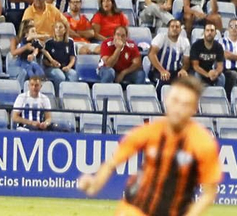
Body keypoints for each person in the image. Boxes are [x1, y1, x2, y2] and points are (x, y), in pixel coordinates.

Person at [78, 74, 221, 216]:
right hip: (134, 209)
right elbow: (111, 164)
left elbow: (209, 192)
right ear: (167, 100)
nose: (178, 108)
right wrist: (94, 183)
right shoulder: (149, 131)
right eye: (175, 101)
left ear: (194, 108)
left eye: (185, 104)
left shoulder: (203, 143)